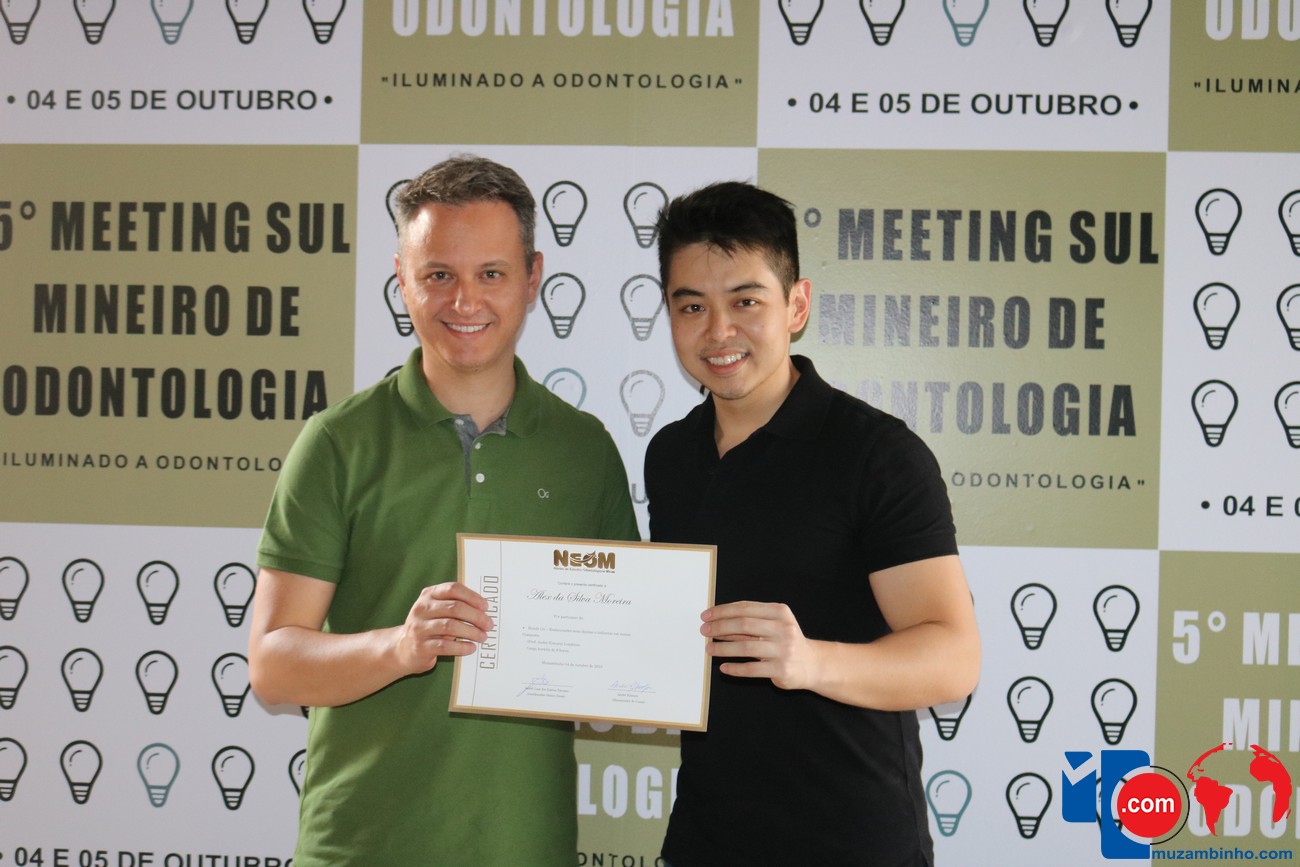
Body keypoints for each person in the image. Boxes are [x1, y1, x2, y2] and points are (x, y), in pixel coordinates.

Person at [248, 155, 640, 866]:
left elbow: (621, 652)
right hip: (359, 847)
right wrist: (400, 647)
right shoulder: (337, 442)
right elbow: (273, 665)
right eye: (438, 275)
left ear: (532, 278)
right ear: (402, 279)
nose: (465, 300)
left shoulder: (585, 450)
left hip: (526, 847)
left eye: (491, 273)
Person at [645, 181, 980, 867]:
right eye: (692, 306)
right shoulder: (671, 455)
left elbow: (955, 660)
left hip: (852, 842)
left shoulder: (876, 453)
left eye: (746, 301)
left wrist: (810, 660)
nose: (718, 331)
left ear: (796, 305)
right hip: (706, 841)